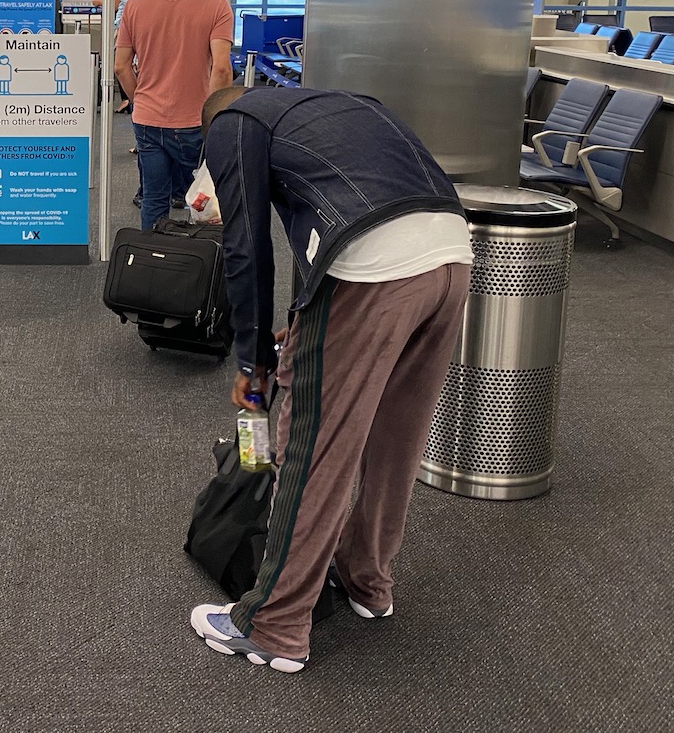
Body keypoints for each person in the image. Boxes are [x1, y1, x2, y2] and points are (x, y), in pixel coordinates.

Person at [187, 85, 473, 675]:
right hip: (454, 255)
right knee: (397, 438)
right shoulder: (338, 104)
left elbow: (246, 248)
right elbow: (318, 223)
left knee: (311, 446)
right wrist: (302, 324)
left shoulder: (231, 123)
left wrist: (252, 363)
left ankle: (273, 625)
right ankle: (368, 582)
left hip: (371, 267)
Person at [114, 0, 233, 232]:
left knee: (154, 199)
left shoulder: (135, 6)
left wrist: (139, 99)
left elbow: (121, 67)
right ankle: (204, 265)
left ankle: (152, 266)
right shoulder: (217, 6)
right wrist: (214, 116)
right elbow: (221, 69)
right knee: (205, 198)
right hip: (196, 120)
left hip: (148, 119)